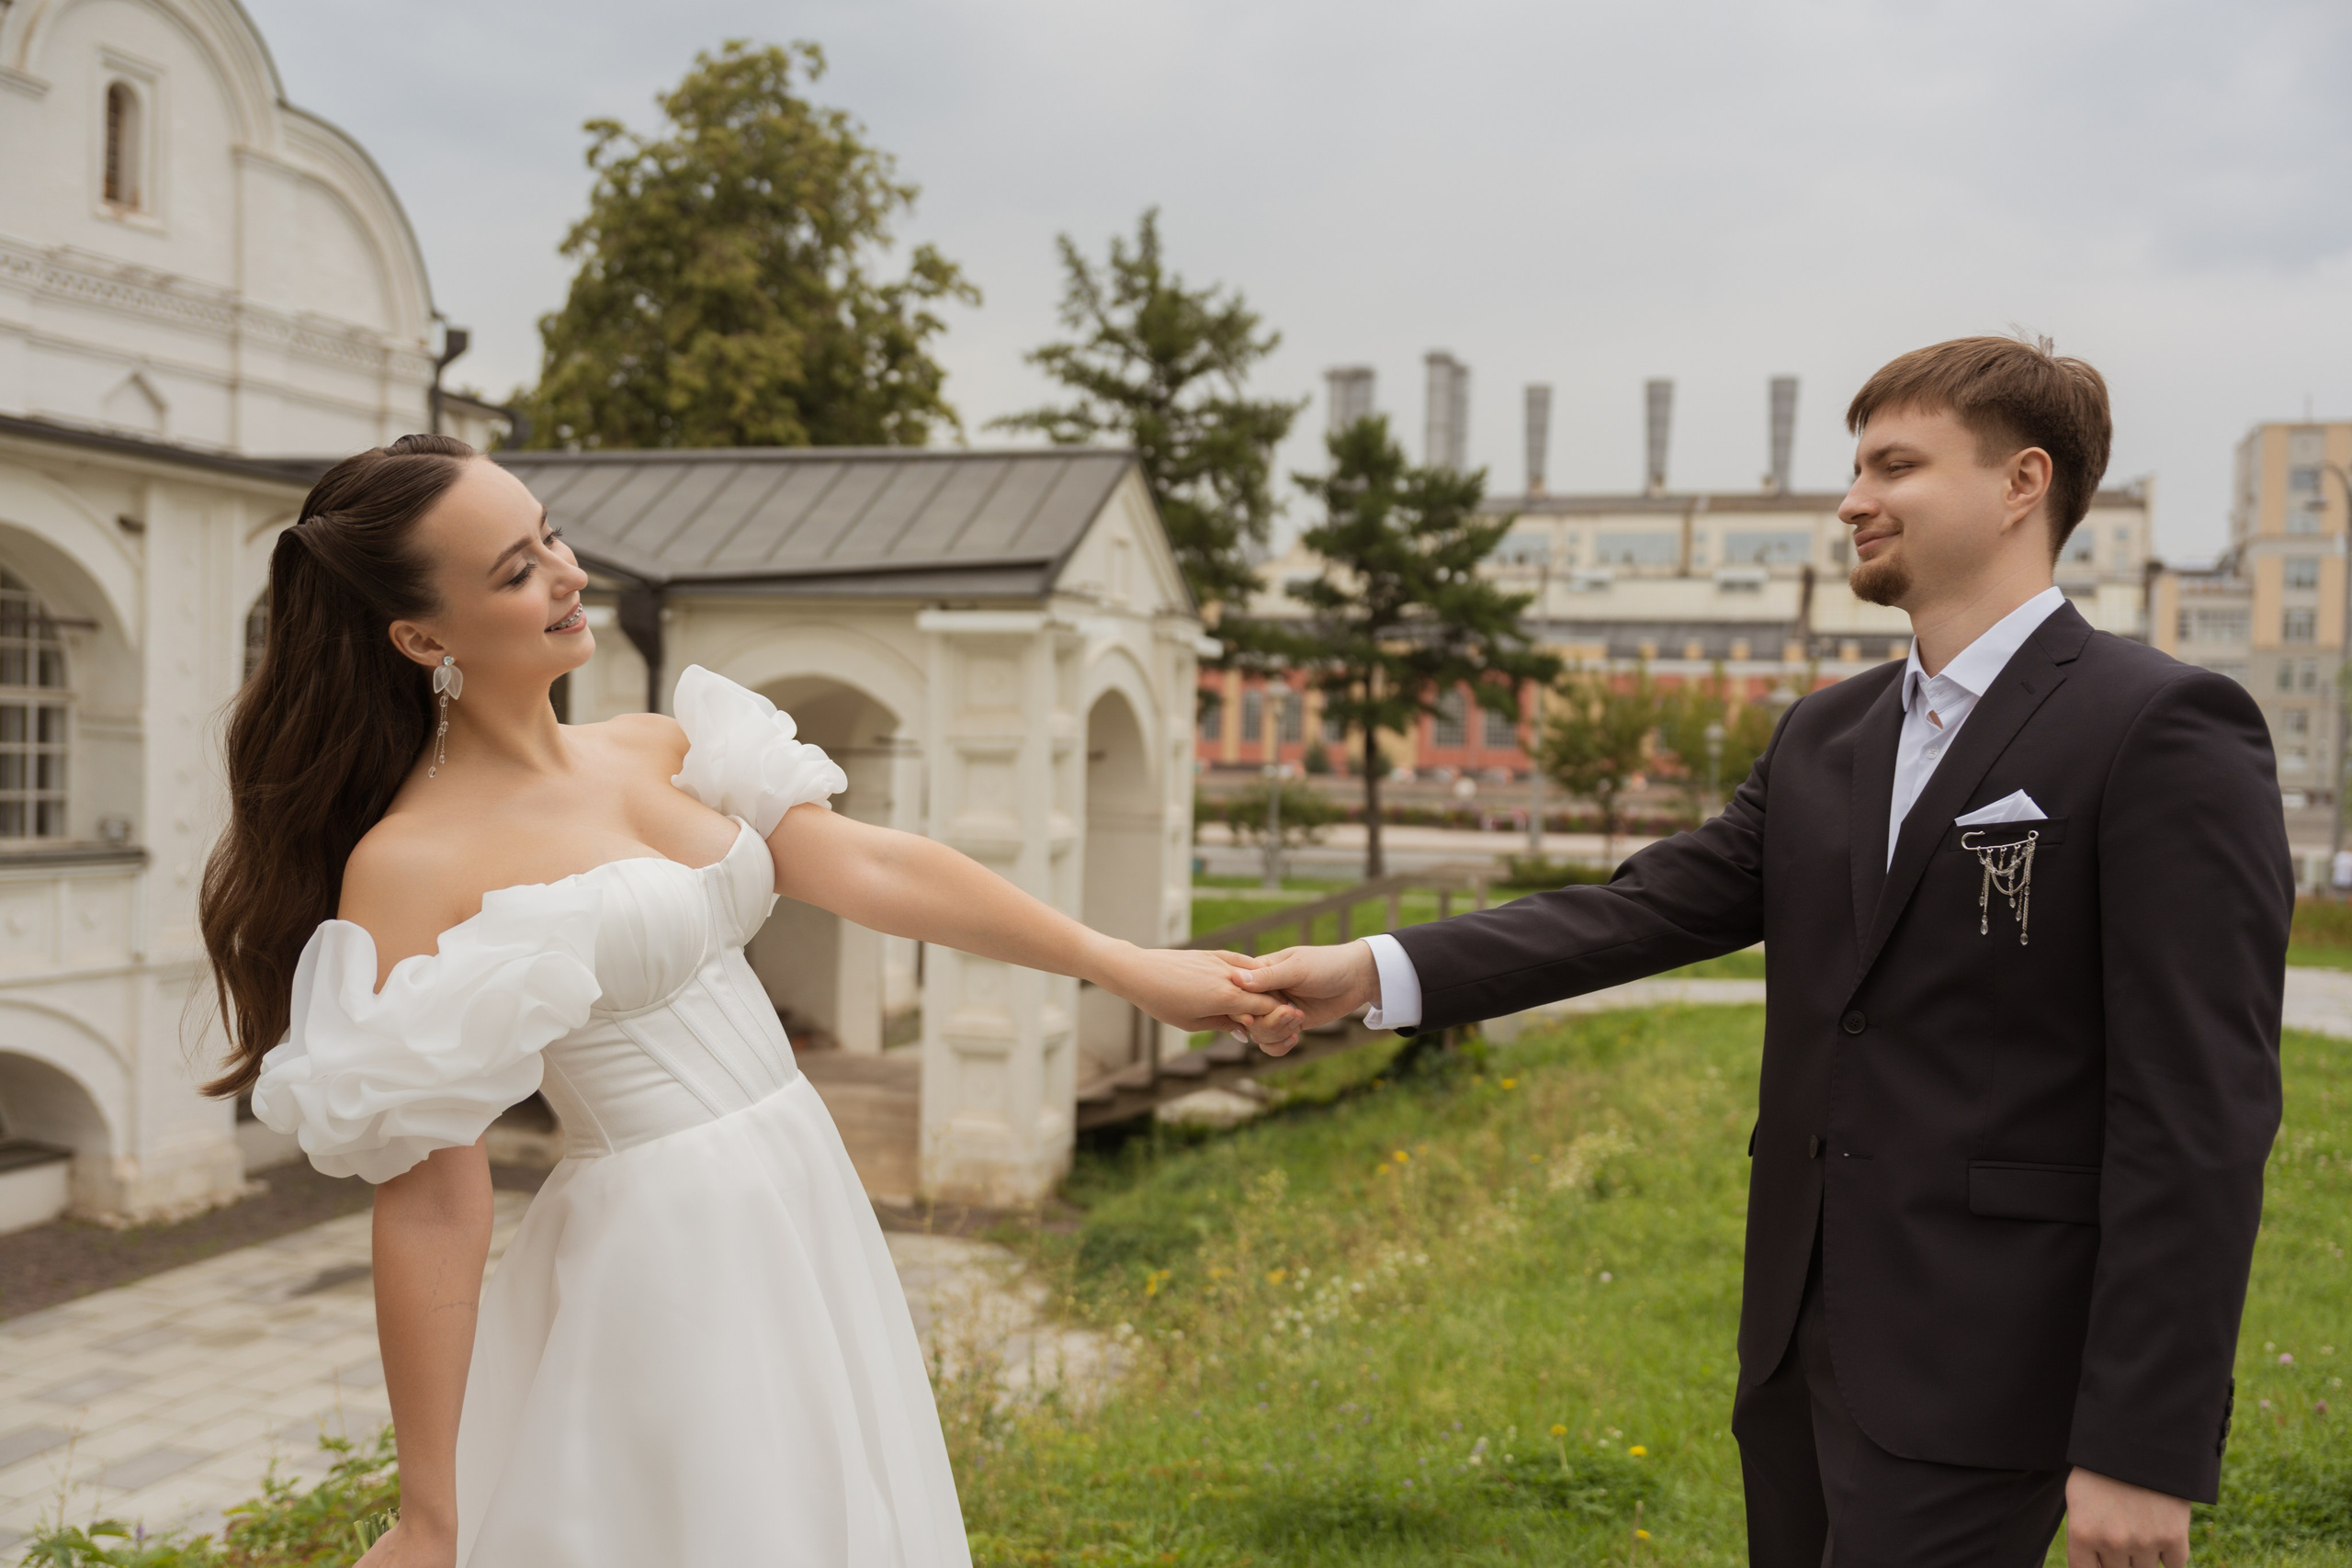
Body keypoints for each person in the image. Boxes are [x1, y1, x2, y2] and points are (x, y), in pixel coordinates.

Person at [1235, 337, 2290, 1568]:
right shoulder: (1825, 734)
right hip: (1799, 1338)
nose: (1853, 499)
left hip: (1995, 1355)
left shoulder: (2161, 727)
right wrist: (1371, 974)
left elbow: (2198, 1107)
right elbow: (1641, 909)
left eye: (1896, 464)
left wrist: (2145, 1437)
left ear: (2021, 483)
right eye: (1855, 466)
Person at [198, 435, 1294, 1568]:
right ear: (422, 638)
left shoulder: (660, 748)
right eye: (515, 572)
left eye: (550, 535)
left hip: (800, 1192)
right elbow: (430, 1201)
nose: (568, 574)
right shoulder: (410, 863)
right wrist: (429, 1515)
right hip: (663, 1248)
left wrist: (1125, 964)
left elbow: (879, 870)